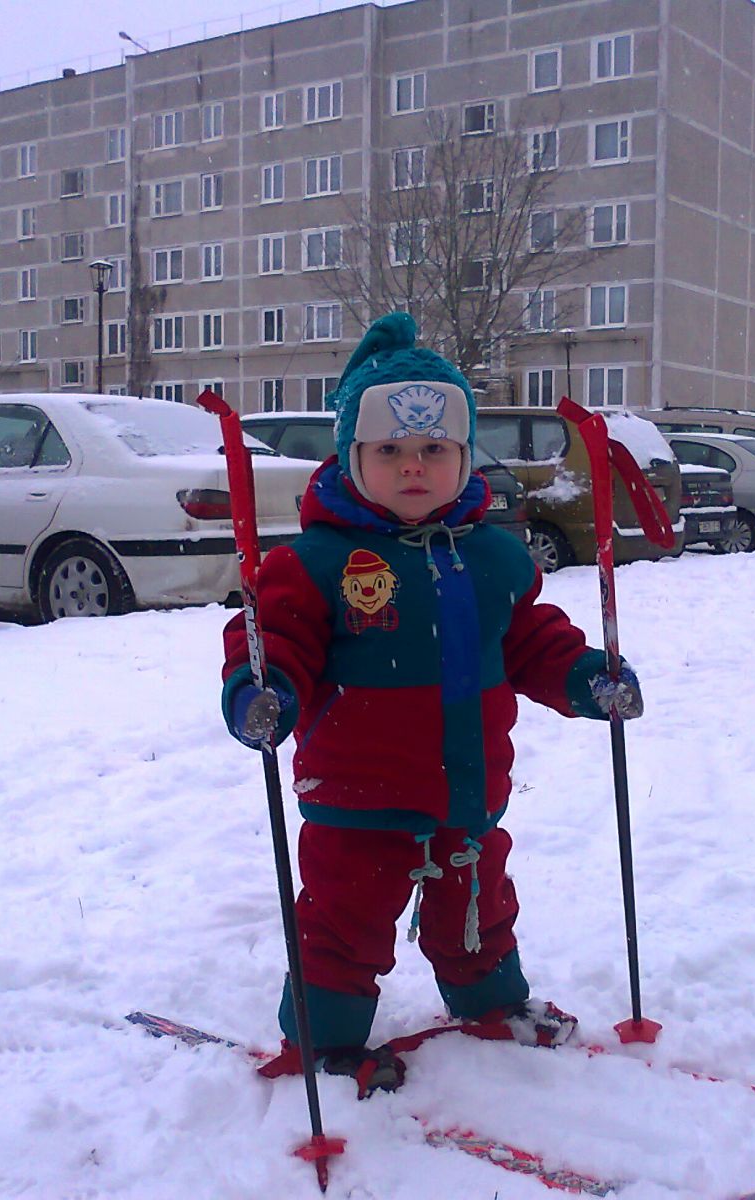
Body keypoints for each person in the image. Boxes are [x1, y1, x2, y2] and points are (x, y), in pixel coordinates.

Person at [220, 312, 643, 1093]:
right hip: (356, 800)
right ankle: (327, 1041)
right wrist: (263, 690)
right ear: (351, 458)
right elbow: (275, 642)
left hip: (467, 791)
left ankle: (490, 1002)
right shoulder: (315, 563)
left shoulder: (492, 556)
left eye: (434, 450)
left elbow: (530, 641)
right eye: (389, 451)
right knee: (342, 926)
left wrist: (585, 677)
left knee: (476, 908)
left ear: (462, 456)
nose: (413, 467)